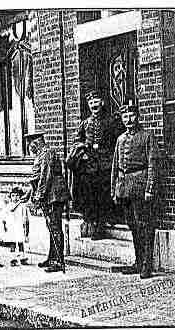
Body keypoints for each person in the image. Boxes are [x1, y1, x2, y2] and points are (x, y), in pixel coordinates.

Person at [111, 102, 160, 279]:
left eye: (131, 116)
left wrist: (150, 188)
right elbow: (115, 167)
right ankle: (138, 262)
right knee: (132, 226)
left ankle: (147, 265)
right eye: (125, 117)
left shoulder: (147, 136)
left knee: (145, 226)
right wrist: (114, 190)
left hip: (140, 187)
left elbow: (153, 163)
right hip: (124, 188)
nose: (129, 119)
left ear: (137, 117)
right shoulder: (120, 139)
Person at [69, 88, 124, 240]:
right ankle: (92, 223)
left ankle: (101, 225)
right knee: (90, 195)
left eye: (96, 101)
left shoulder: (110, 122)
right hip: (90, 166)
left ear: (102, 103)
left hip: (105, 165)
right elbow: (76, 140)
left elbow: (117, 141)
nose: (94, 104)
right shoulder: (85, 124)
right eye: (91, 102)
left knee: (103, 196)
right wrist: (82, 149)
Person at [25, 131, 70, 273]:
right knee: (51, 227)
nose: (29, 148)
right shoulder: (42, 154)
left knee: (55, 227)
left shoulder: (47, 153)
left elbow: (45, 176)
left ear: (36, 143)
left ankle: (59, 261)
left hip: (54, 195)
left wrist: (38, 196)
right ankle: (52, 257)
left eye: (30, 145)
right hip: (50, 195)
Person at [5, 186, 31, 267]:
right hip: (12, 226)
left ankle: (22, 258)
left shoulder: (23, 206)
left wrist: (26, 232)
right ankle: (13, 259)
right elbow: (11, 210)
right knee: (12, 243)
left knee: (20, 242)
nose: (15, 197)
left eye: (17, 195)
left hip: (19, 226)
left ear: (20, 196)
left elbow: (26, 219)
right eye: (13, 195)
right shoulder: (9, 205)